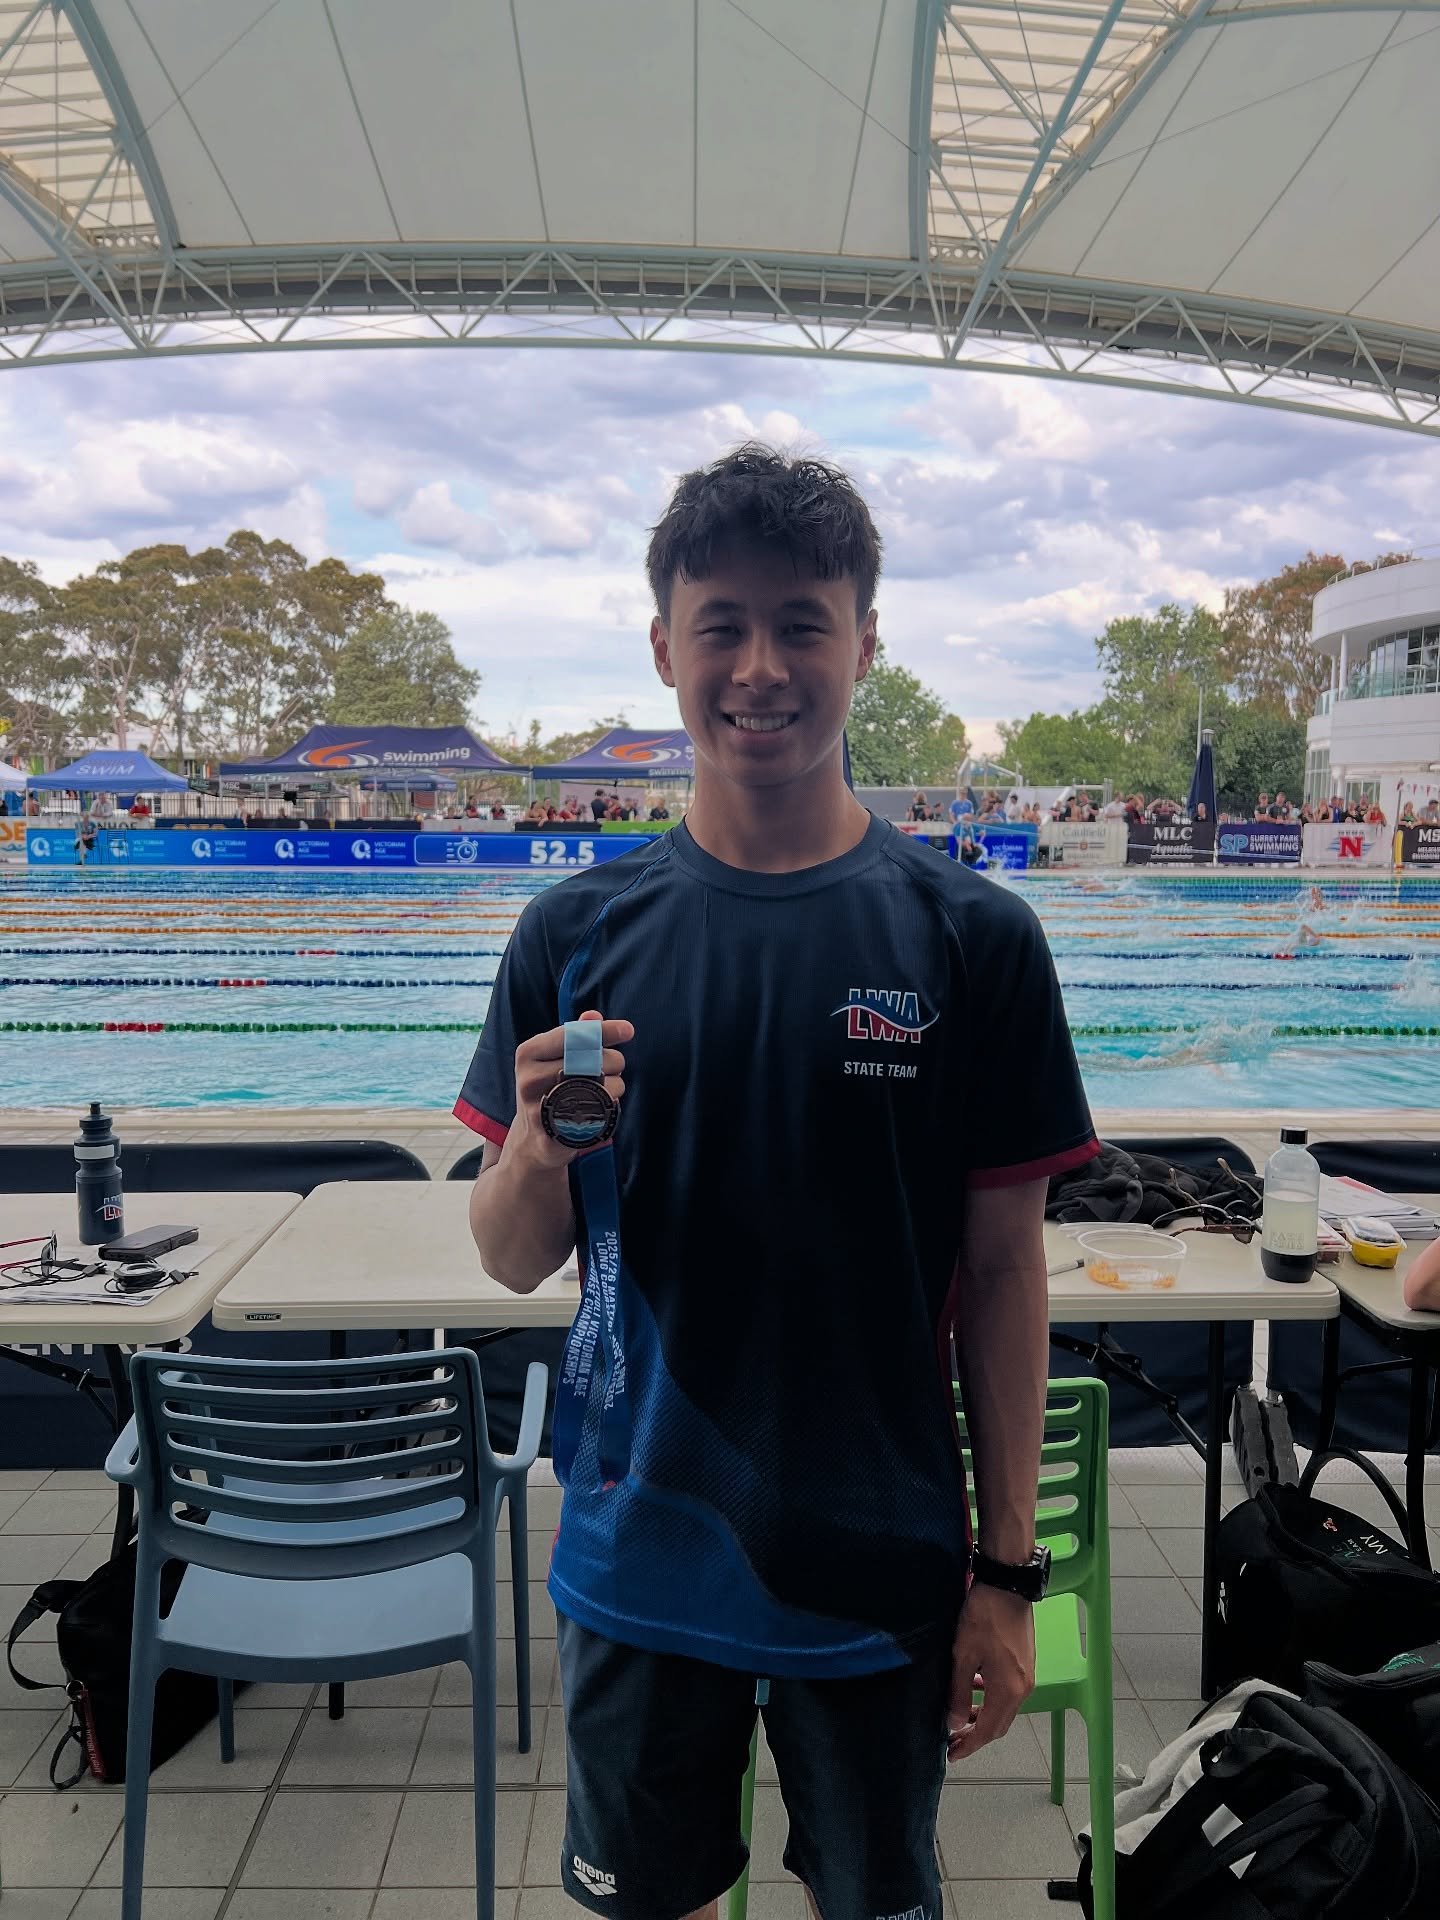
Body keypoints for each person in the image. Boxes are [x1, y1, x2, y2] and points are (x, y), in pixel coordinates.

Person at [457, 444, 1097, 1920]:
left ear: (865, 644)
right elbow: (507, 1256)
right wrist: (539, 1146)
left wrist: (1009, 1575)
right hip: (638, 1552)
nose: (759, 667)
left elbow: (1009, 1271)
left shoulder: (973, 939)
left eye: (802, 623)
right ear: (663, 647)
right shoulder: (573, 932)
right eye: (722, 625)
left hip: (879, 1564)